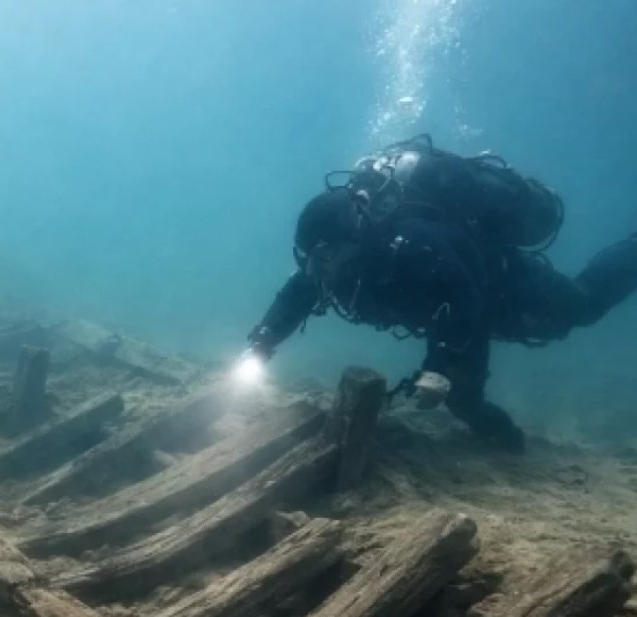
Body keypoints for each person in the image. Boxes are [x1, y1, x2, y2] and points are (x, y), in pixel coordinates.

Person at [243, 135, 637, 453]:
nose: (319, 268)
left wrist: (439, 367)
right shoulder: (331, 262)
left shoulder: (412, 243)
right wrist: (264, 338)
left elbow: (464, 298)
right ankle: (490, 425)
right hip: (456, 303)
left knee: (581, 307)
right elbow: (298, 293)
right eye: (313, 258)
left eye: (325, 256)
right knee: (464, 399)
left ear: (353, 238)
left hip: (503, 284)